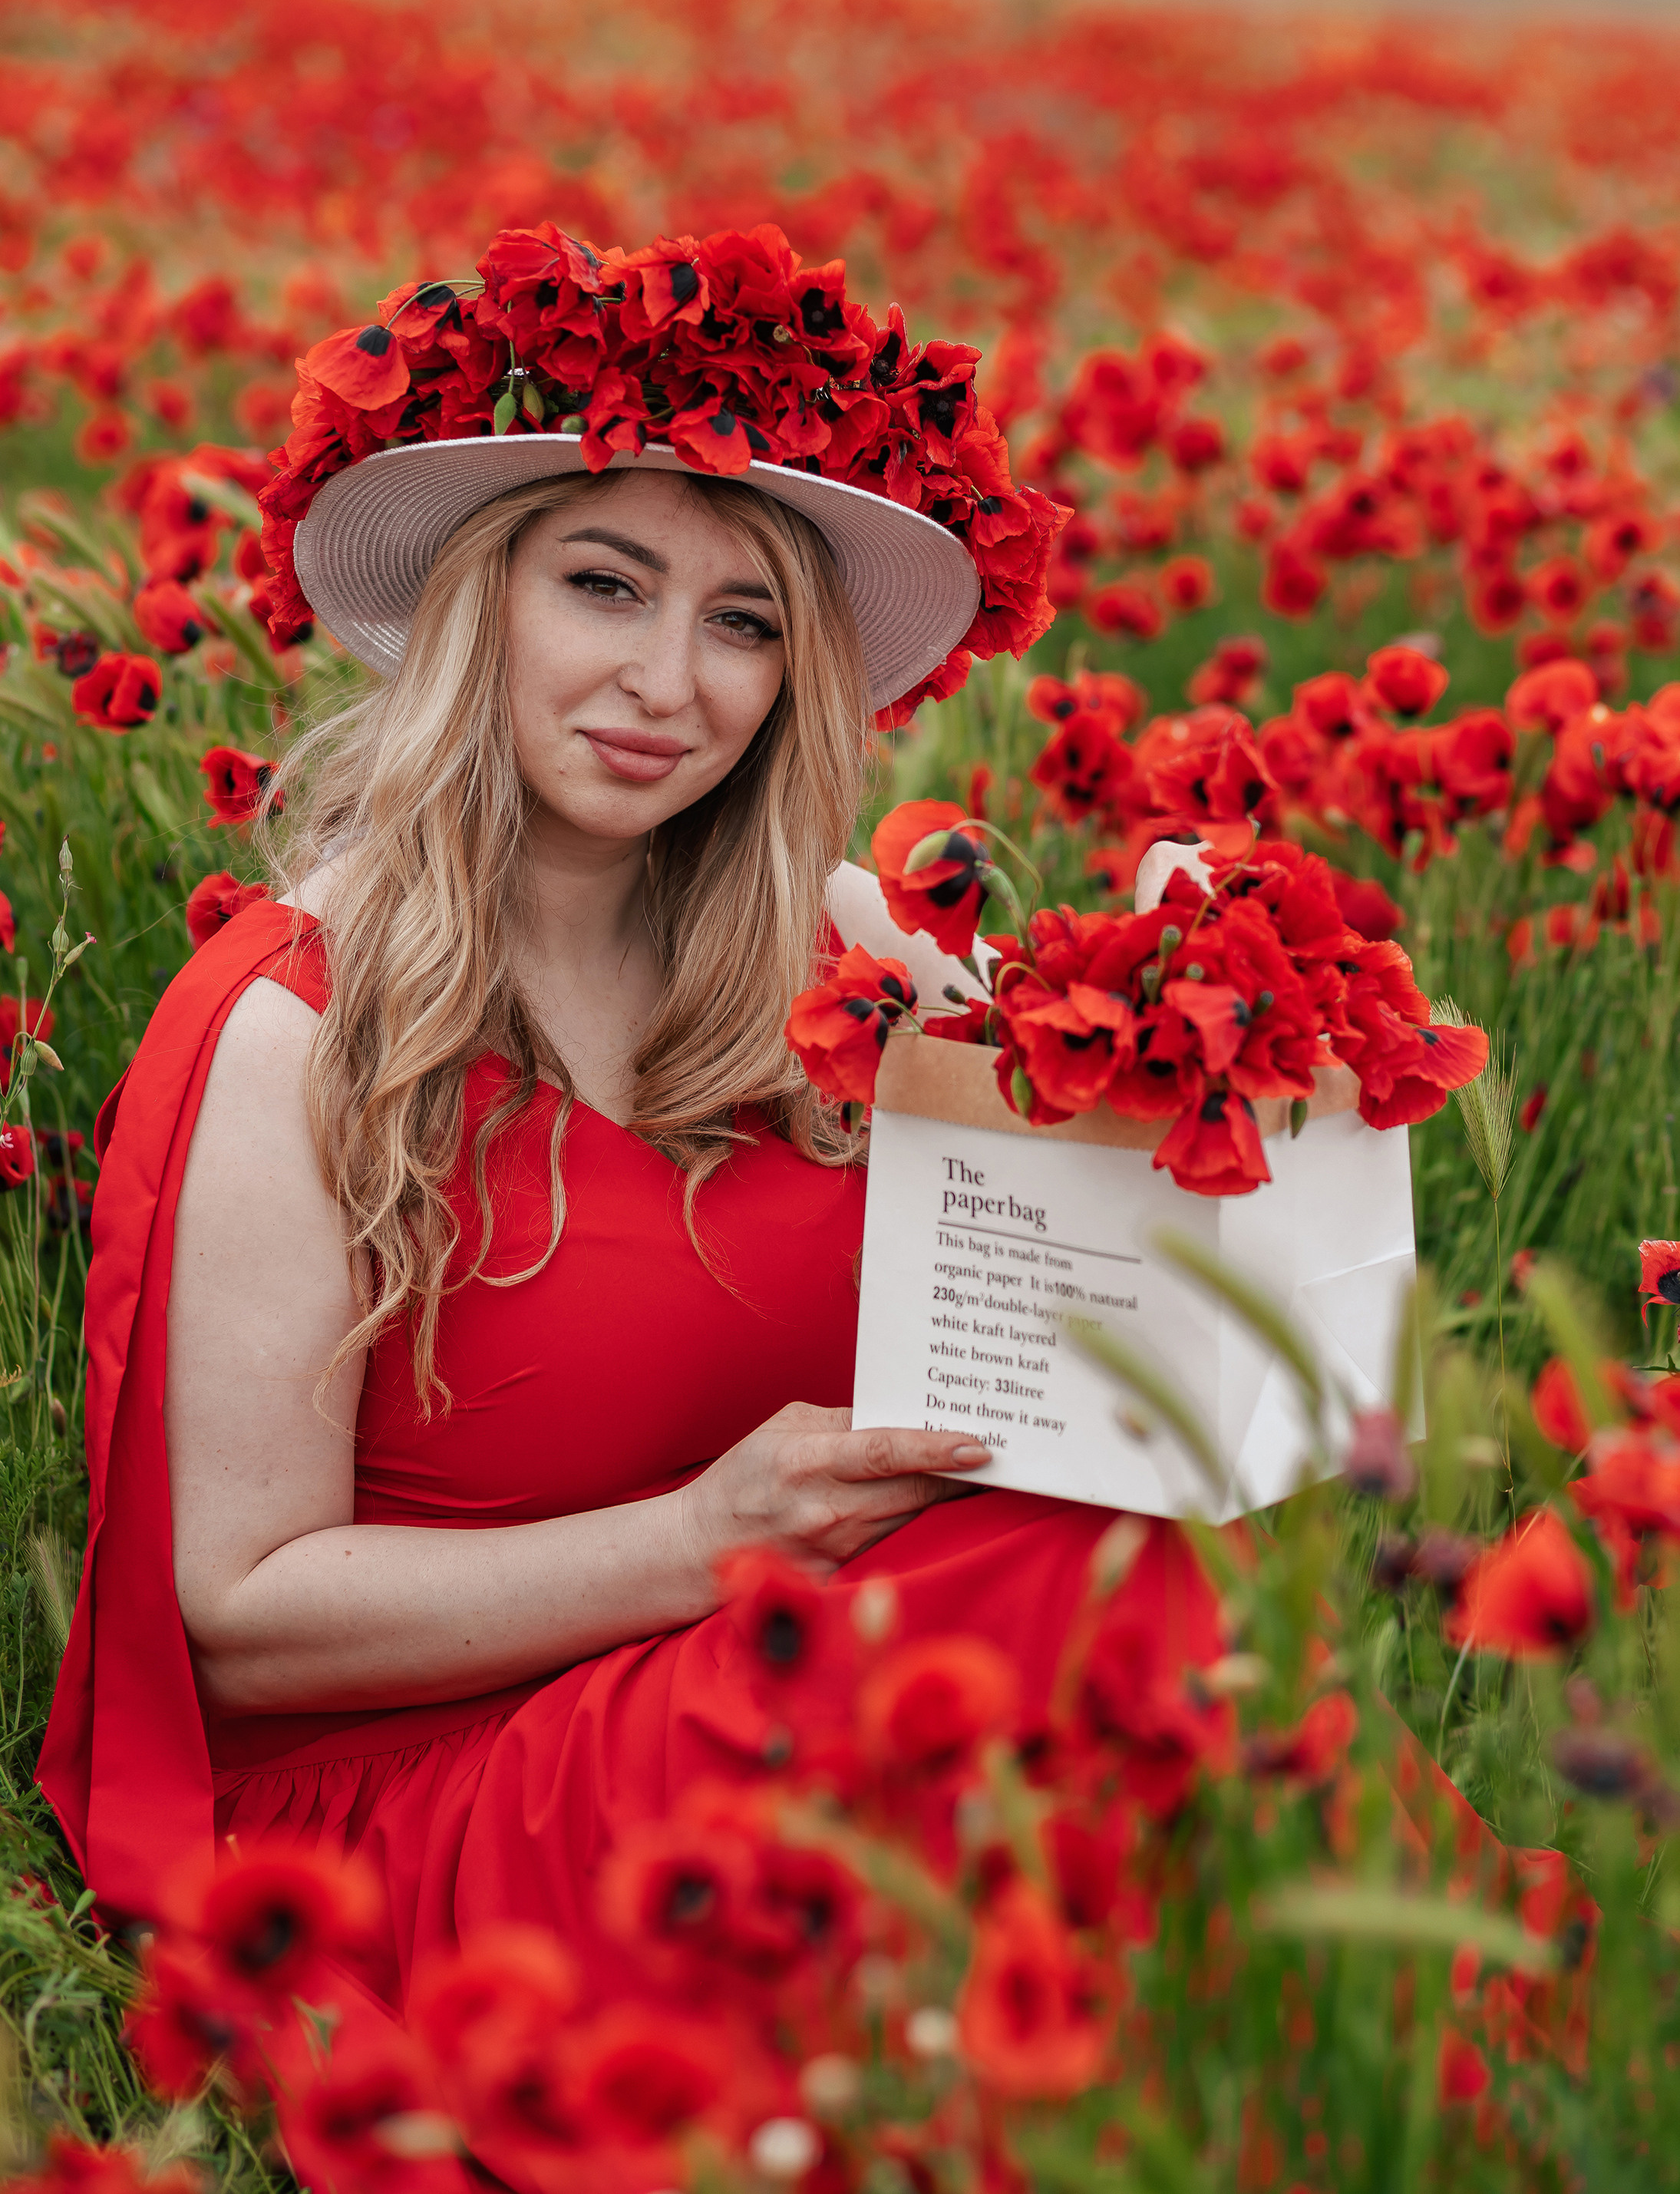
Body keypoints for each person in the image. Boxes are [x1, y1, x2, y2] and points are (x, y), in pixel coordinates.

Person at [38, 220, 1202, 2010]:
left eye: (744, 621)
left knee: (1091, 1548)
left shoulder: (840, 953)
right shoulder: (293, 1027)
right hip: (445, 1800)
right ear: (473, 597)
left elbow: (1087, 1301)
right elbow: (239, 1621)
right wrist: (701, 1542)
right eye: (604, 584)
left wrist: (1198, 1037)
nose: (673, 683)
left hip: (782, 1688)